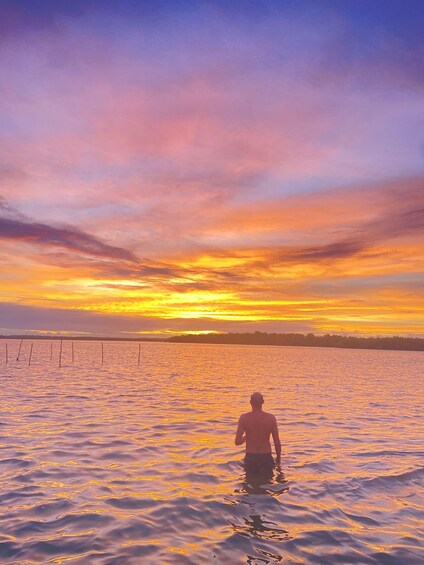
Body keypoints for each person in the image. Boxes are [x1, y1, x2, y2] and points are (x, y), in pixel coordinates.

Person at [235, 392, 281, 473]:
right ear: (263, 402)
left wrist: (247, 436)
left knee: (250, 483)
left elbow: (237, 442)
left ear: (250, 402)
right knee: (268, 483)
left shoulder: (244, 418)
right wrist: (278, 458)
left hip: (251, 457)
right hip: (266, 457)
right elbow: (277, 442)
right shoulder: (271, 418)